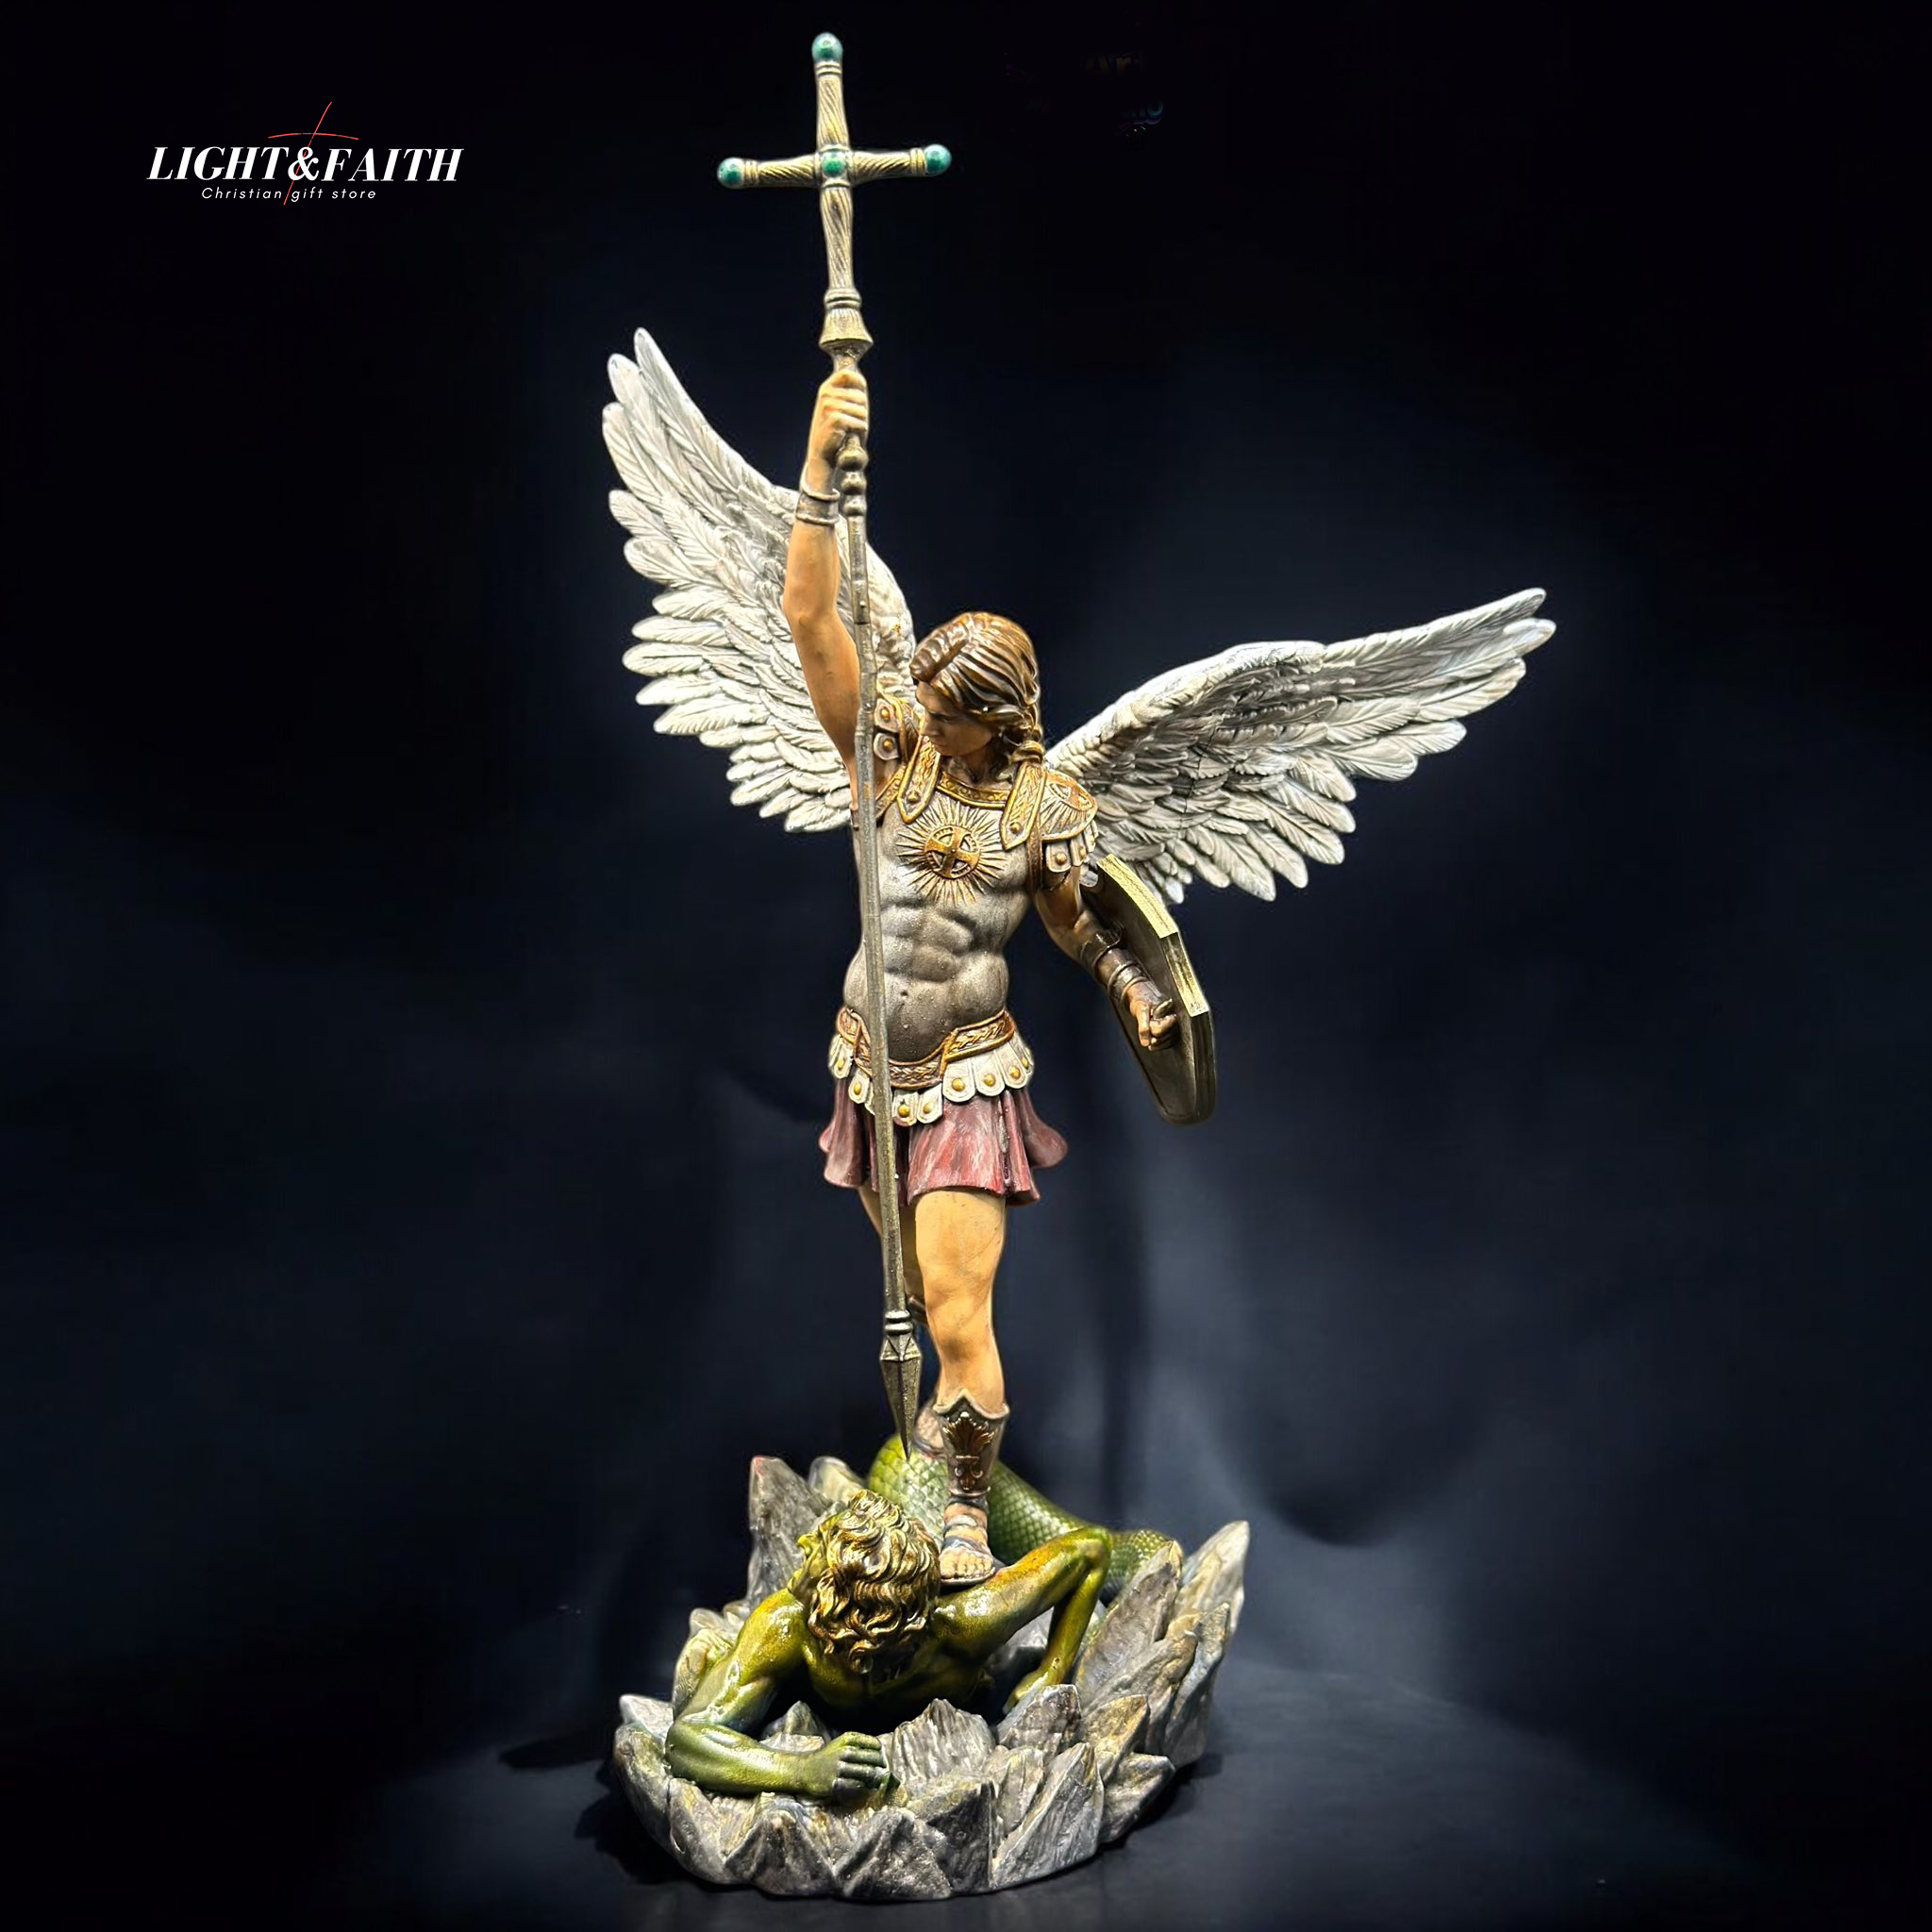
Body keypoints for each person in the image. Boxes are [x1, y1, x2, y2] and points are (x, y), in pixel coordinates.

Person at [782, 367, 1177, 1587]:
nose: (921, 716)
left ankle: (960, 1511)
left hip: (962, 1078)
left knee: (956, 1311)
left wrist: (1130, 985)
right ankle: (938, 1474)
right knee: (905, 1290)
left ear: (998, 719)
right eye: (920, 700)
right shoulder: (888, 759)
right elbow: (810, 617)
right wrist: (818, 465)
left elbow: (1075, 925)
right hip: (869, 1064)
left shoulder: (1043, 806)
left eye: (947, 712)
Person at [666, 1491, 1111, 1801]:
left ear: (846, 1595)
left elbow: (1090, 1550)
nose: (803, 1543)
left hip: (952, 1741)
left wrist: (1052, 1669)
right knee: (705, 1661)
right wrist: (802, 1771)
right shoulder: (786, 1625)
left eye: (818, 1547)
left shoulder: (965, 1624)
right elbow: (686, 1739)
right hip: (807, 1720)